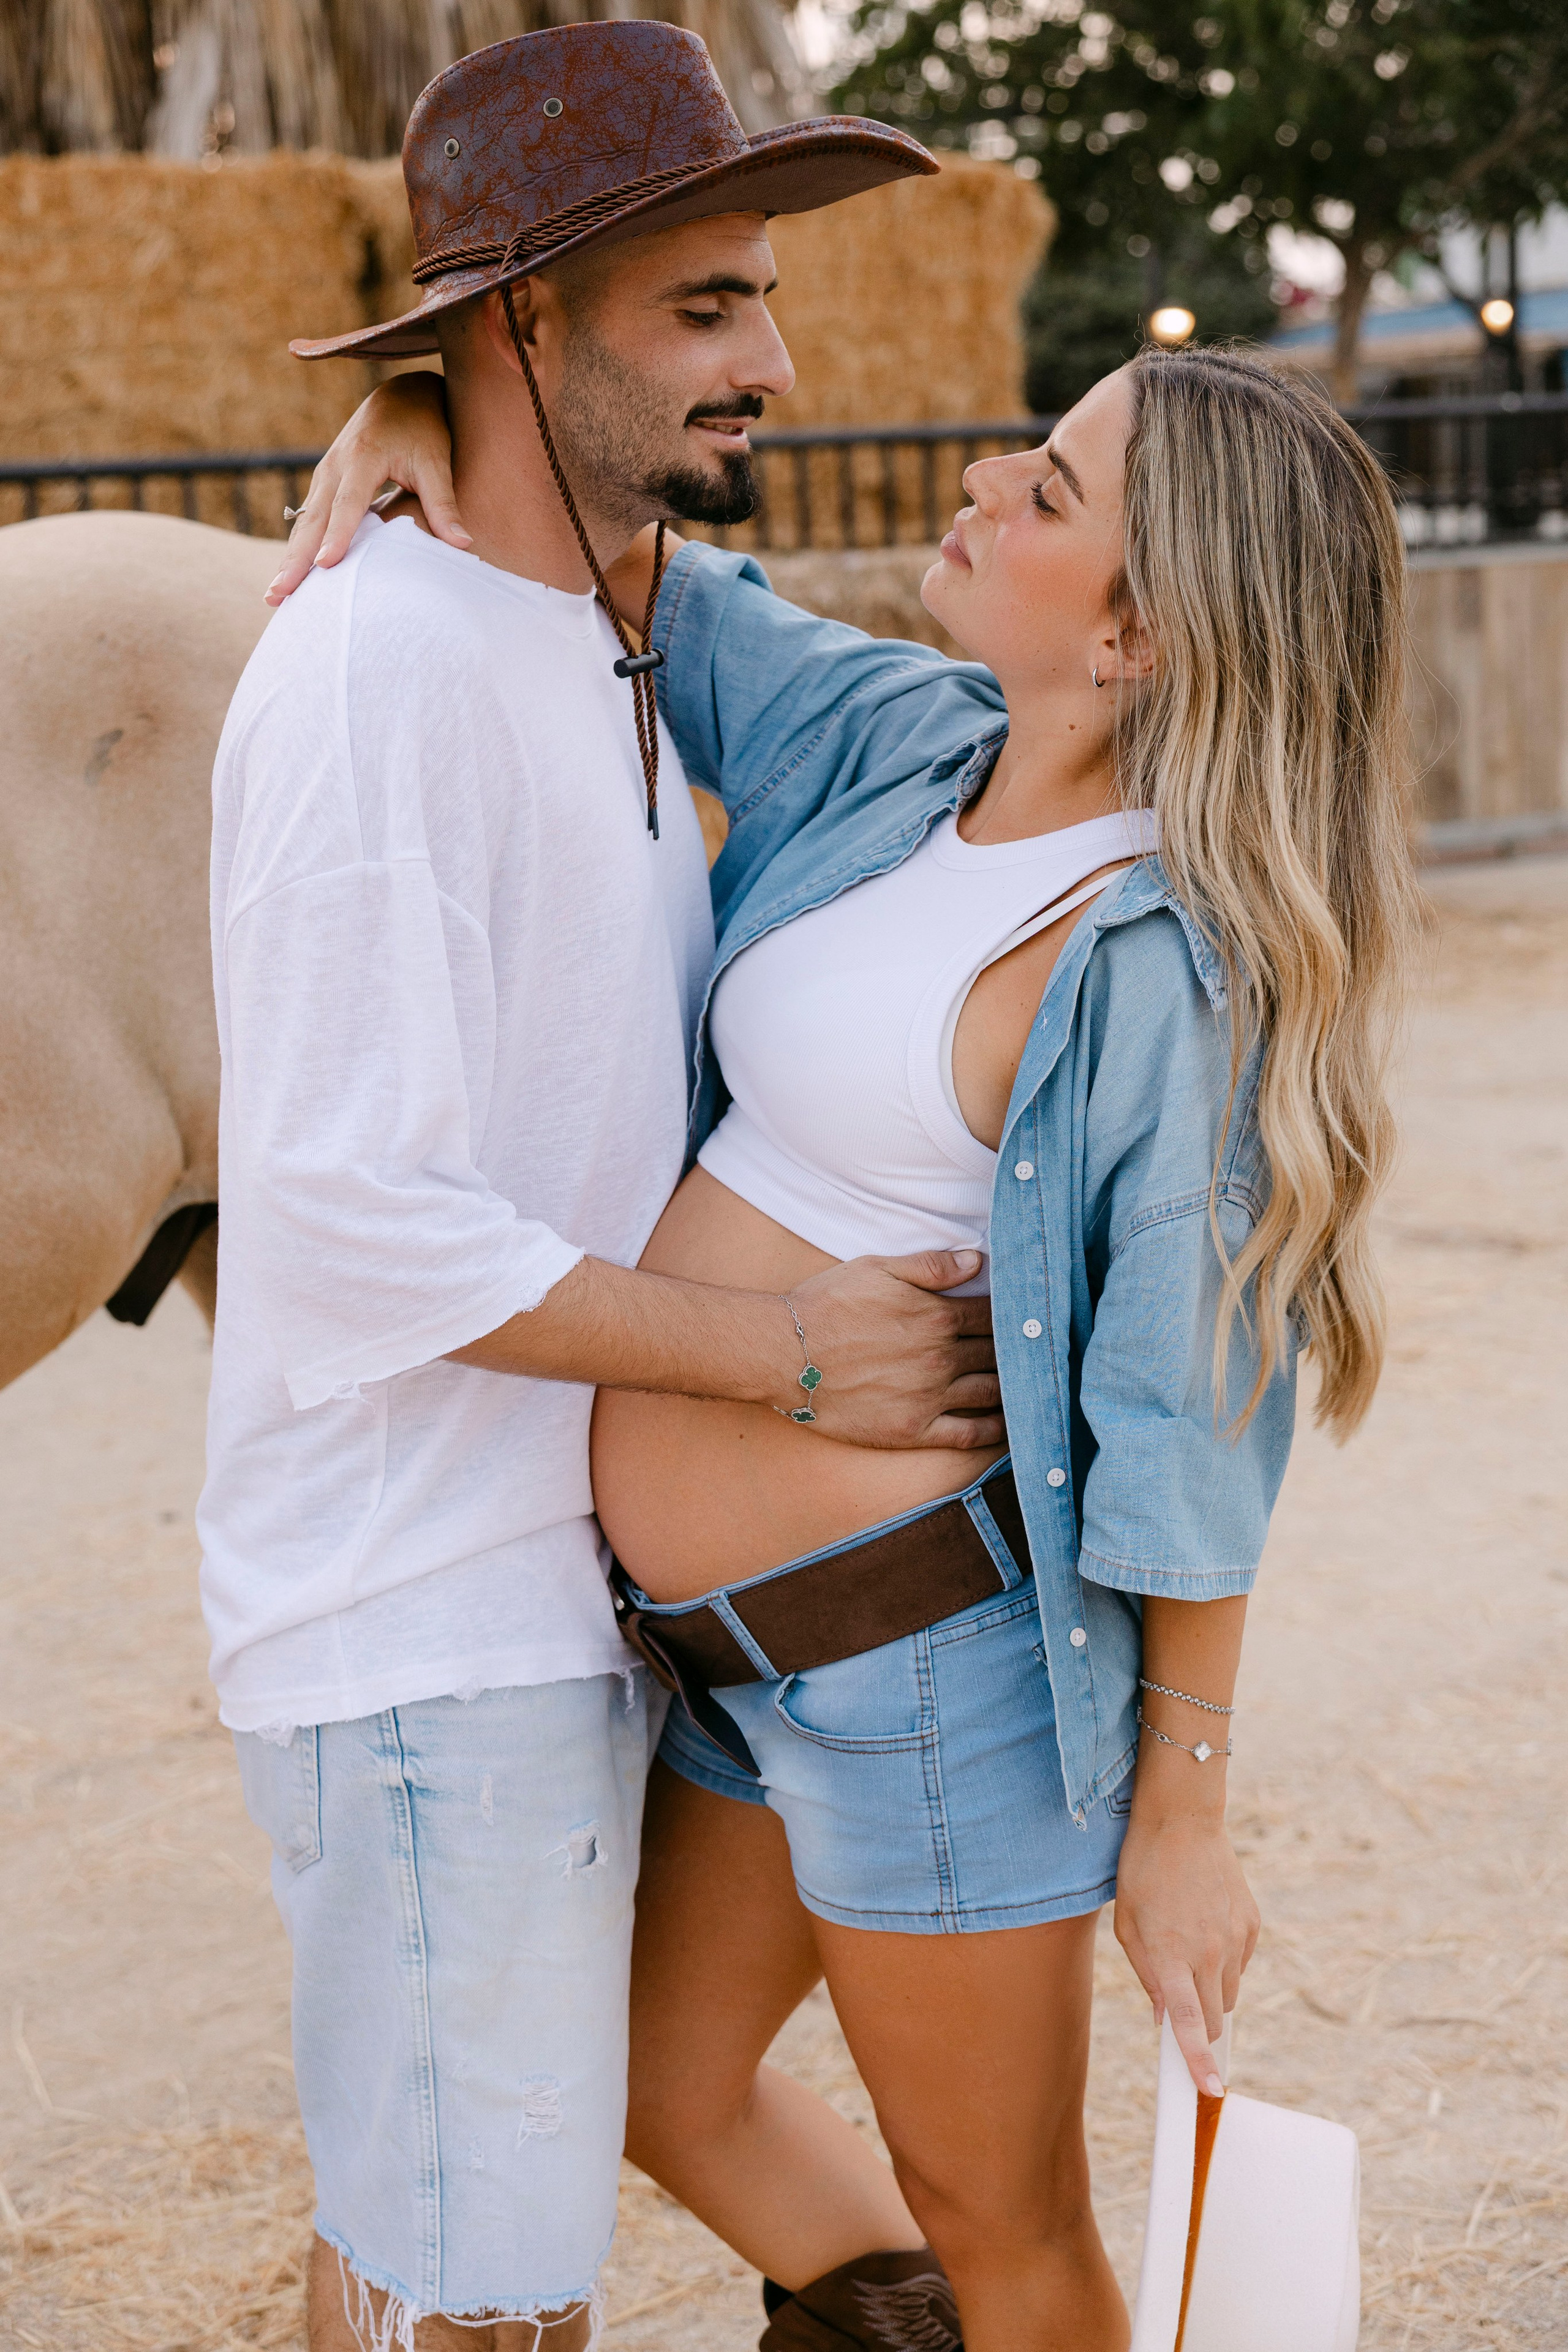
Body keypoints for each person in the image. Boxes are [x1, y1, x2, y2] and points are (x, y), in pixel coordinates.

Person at [292, 322, 1414, 2352]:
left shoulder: (1163, 963)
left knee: (1019, 2235)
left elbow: (1193, 1413)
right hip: (729, 1672)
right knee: (660, 2087)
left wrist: (1183, 1823)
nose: (988, 482)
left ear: (1146, 637)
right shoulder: (906, 744)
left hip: (927, 1679)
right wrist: (428, 409)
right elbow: (664, 583)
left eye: (1050, 492)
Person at [204, 28, 1006, 2352]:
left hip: (541, 1609)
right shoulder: (385, 676)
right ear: (524, 325)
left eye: (762, 298)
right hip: (424, 1615)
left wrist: (427, 418)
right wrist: (792, 1356)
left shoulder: (610, 635)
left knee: (439, 2245)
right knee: (493, 2301)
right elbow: (352, 1216)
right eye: (705, 309)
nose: (776, 359)